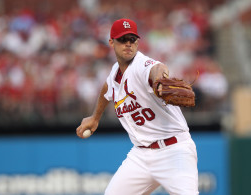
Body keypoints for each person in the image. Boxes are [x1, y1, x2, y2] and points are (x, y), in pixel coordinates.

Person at [76, 18, 199, 195]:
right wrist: (95, 117)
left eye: (132, 39)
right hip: (140, 156)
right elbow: (107, 88)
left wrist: (158, 82)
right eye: (122, 39)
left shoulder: (142, 65)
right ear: (111, 42)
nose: (128, 44)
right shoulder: (114, 73)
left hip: (174, 151)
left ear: (138, 42)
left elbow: (157, 68)